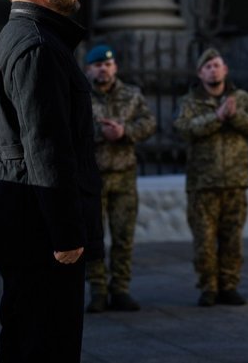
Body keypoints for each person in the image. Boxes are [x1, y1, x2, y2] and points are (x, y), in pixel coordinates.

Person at [0, 0, 103, 363]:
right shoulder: (37, 47)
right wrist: (68, 233)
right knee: (47, 345)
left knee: (25, 339)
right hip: (42, 232)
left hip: (26, 224)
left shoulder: (18, 38)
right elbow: (46, 147)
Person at [173, 48, 248, 307]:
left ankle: (229, 285)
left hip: (235, 181)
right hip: (203, 184)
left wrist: (235, 116)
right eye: (208, 66)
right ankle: (208, 287)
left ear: (225, 70)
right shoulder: (189, 102)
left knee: (232, 239)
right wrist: (216, 117)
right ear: (200, 73)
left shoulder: (241, 98)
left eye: (217, 65)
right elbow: (182, 128)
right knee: (204, 239)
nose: (213, 69)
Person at [83, 44, 156, 313]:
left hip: (124, 175)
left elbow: (149, 123)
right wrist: (101, 133)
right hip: (93, 177)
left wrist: (125, 131)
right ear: (89, 69)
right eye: (98, 64)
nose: (104, 68)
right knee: (94, 237)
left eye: (108, 64)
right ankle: (98, 291)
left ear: (115, 68)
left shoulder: (132, 94)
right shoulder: (79, 94)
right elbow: (69, 128)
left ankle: (121, 289)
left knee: (124, 236)